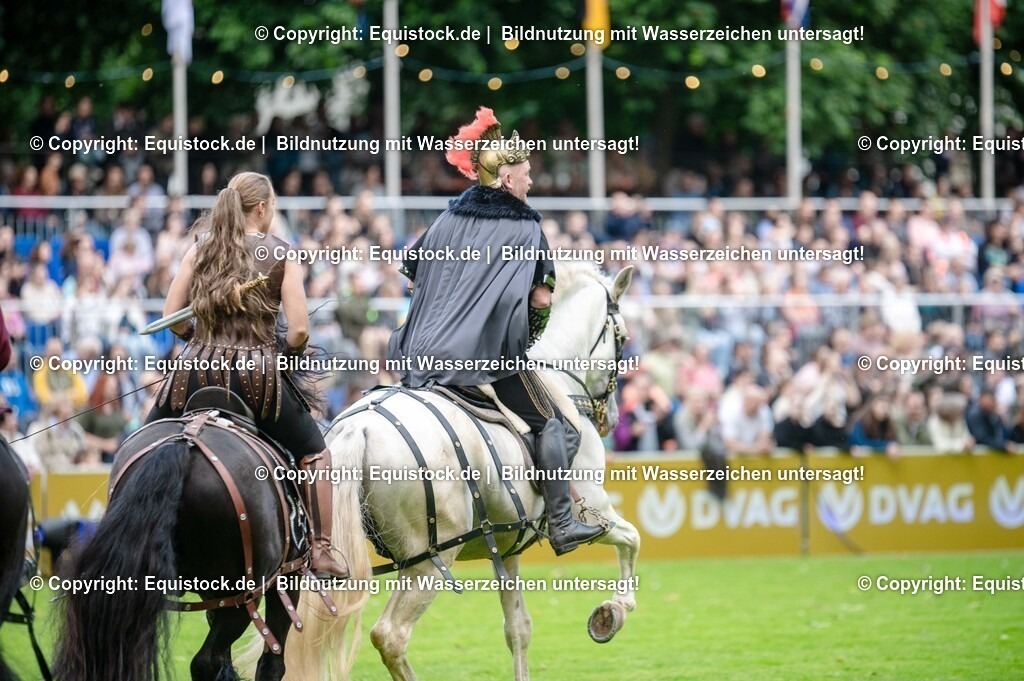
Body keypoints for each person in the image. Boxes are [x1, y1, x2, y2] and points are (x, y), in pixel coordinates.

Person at [386, 107, 609, 555]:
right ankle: (563, 523)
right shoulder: (526, 225)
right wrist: (526, 337)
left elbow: (412, 274)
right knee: (559, 423)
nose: (531, 183)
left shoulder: (445, 220)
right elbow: (541, 299)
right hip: (483, 359)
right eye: (525, 175)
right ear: (507, 180)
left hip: (420, 357)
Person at [145, 171, 349, 579]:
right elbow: (300, 330)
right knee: (314, 452)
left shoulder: (200, 248)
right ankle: (322, 551)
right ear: (261, 208)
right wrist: (285, 354)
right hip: (257, 377)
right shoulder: (282, 253)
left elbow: (170, 317)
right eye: (273, 206)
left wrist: (198, 336)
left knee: (145, 445)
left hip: (194, 371)